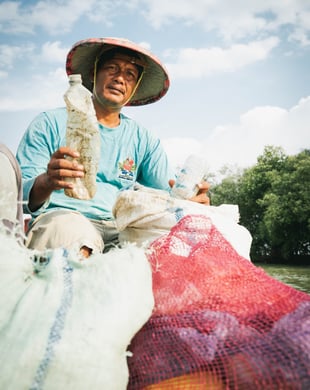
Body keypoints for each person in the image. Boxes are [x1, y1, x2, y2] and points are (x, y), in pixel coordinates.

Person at [16, 37, 210, 257]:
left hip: (122, 228)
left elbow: (169, 196)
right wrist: (47, 181)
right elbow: (19, 198)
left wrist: (191, 201)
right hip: (66, 218)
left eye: (130, 74)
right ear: (93, 74)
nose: (120, 78)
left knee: (180, 248)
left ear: (134, 88)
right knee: (74, 243)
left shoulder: (143, 139)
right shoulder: (49, 123)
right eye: (112, 68)